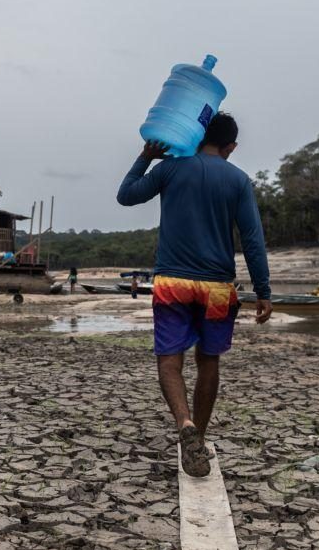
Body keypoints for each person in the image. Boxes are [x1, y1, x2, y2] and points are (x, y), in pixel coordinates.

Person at [116, 112, 272, 477]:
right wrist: (263, 291)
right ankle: (198, 437)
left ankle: (184, 425)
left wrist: (145, 156)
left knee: (170, 361)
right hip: (218, 287)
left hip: (173, 284)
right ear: (231, 146)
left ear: (197, 134)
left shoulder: (171, 168)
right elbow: (252, 239)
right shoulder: (238, 180)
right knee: (208, 360)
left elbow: (126, 196)